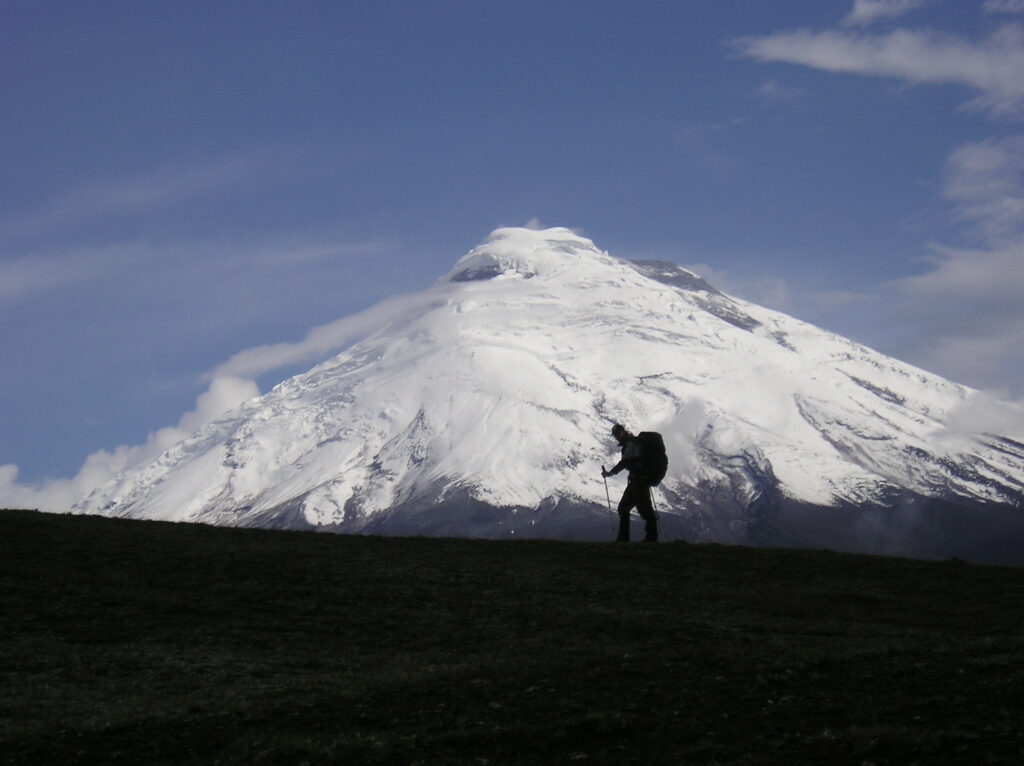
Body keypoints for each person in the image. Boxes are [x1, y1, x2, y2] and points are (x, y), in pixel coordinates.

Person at [602, 423, 658, 542]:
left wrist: (610, 473)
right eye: (615, 435)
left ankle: (648, 538)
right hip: (638, 480)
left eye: (617, 434)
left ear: (622, 432)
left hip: (639, 480)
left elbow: (625, 462)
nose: (616, 437)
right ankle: (628, 538)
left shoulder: (631, 443)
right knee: (627, 508)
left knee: (640, 509)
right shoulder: (632, 443)